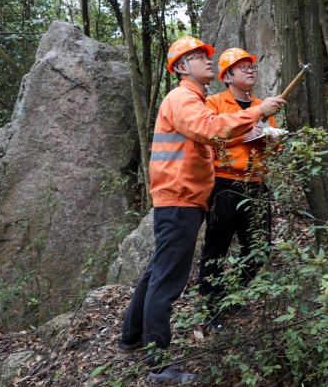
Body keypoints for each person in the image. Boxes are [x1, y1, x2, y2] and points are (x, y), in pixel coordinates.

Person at [117, 37, 285, 384]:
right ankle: (158, 367)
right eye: (198, 57)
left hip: (183, 199)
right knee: (167, 280)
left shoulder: (192, 99)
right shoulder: (182, 98)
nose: (209, 61)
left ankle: (131, 338)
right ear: (181, 67)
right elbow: (210, 130)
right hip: (180, 199)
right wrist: (256, 112)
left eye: (208, 56)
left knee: (155, 273)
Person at [197, 48, 282, 332]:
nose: (250, 69)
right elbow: (209, 138)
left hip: (257, 183)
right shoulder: (214, 102)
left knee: (260, 247)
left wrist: (271, 140)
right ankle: (211, 306)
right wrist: (244, 137)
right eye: (241, 66)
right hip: (223, 183)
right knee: (217, 247)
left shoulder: (263, 105)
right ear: (227, 76)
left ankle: (233, 295)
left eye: (251, 65)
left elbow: (273, 150)